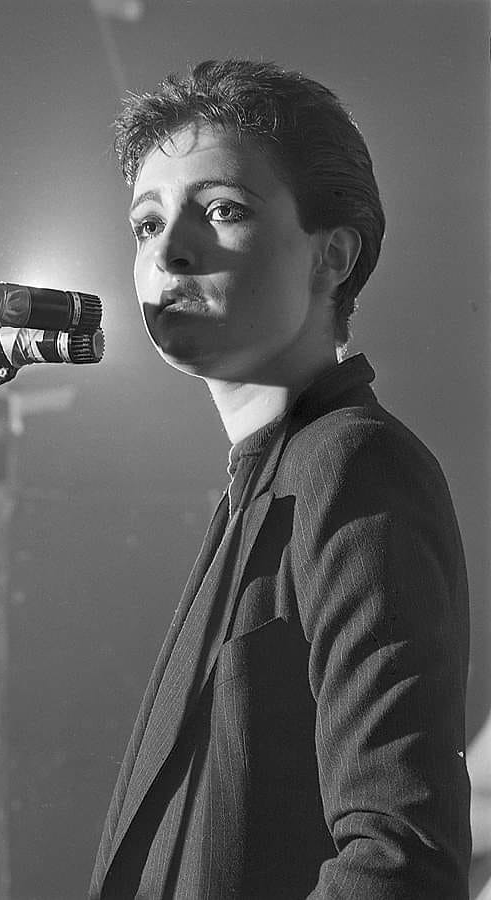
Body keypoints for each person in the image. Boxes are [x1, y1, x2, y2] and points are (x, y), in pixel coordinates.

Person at [88, 59, 471, 899]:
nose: (169, 250)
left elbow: (400, 856)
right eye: (147, 223)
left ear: (332, 254)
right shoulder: (267, 480)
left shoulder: (354, 465)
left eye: (222, 209)